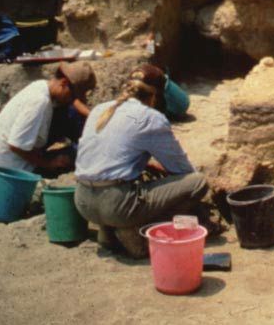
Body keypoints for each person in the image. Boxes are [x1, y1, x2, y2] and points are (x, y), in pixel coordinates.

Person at [74, 64, 210, 258]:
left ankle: (107, 232)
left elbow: (104, 157)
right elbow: (182, 170)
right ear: (155, 97)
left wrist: (144, 163)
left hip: (83, 202)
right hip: (116, 205)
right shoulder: (151, 118)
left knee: (136, 180)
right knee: (198, 182)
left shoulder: (100, 109)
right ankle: (137, 230)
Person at [0, 62, 97, 175]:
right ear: (64, 83)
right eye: (73, 96)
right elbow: (16, 145)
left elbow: (74, 103)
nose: (72, 100)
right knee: (78, 154)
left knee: (69, 111)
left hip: (6, 156)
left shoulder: (42, 85)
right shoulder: (39, 102)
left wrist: (94, 115)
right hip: (13, 166)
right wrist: (49, 163)